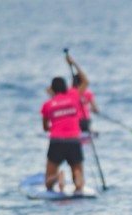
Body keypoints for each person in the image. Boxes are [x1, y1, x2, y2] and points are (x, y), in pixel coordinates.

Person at [40, 54, 89, 193]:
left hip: (57, 142)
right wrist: (73, 63)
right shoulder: (74, 95)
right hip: (74, 141)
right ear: (66, 87)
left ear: (53, 90)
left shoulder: (48, 104)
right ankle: (78, 177)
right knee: (79, 183)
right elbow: (85, 81)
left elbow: (45, 128)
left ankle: (57, 176)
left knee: (48, 183)